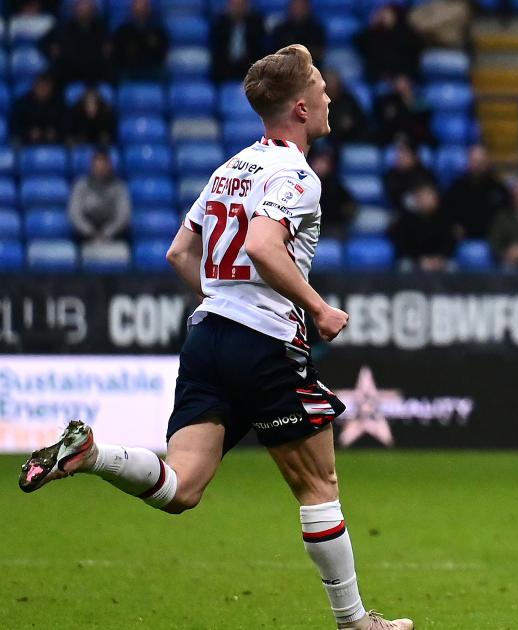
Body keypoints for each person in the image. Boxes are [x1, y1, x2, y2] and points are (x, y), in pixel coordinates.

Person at [18, 45, 412, 630]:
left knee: (181, 488)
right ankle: (356, 623)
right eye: (322, 89)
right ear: (301, 109)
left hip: (207, 339)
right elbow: (260, 245)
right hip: (264, 346)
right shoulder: (298, 176)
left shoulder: (230, 168)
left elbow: (180, 252)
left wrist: (222, 302)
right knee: (318, 484)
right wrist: (318, 308)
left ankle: (92, 453)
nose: (330, 98)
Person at [443, 145, 510, 240]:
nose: (477, 165)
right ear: (468, 163)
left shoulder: (499, 189)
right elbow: (447, 214)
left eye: (481, 162)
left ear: (488, 163)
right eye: (474, 161)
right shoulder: (456, 188)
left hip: (491, 238)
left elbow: (504, 217)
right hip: (462, 239)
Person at [39, 0, 110, 84]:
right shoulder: (63, 28)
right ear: (74, 10)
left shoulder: (101, 28)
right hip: (69, 74)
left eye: (86, 8)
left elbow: (107, 50)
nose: (83, 11)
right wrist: (51, 50)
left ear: (93, 10)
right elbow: (44, 43)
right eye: (80, 8)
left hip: (96, 75)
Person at [390, 181, 456, 272]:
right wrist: (419, 259)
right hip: (415, 259)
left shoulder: (444, 217)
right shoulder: (406, 218)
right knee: (405, 265)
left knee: (452, 266)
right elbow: (402, 244)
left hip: (438, 259)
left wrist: (439, 258)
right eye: (424, 196)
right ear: (418, 200)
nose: (428, 200)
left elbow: (450, 241)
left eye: (431, 196)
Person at [68, 151, 130, 244]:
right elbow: (74, 213)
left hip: (113, 235)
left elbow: (123, 215)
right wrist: (90, 232)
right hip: (84, 235)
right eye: (97, 166)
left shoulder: (119, 187)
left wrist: (107, 233)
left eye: (103, 166)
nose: (100, 169)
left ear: (109, 166)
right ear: (92, 167)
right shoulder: (81, 185)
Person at [353, 5, 421, 83]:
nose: (383, 17)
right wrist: (372, 26)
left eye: (387, 14)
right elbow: (358, 42)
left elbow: (410, 52)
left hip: (404, 75)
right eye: (382, 14)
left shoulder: (406, 35)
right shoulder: (372, 35)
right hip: (378, 76)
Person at [210, 0, 267, 83]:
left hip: (250, 68)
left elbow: (259, 50)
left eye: (241, 5)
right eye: (234, 6)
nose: (237, 9)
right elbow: (217, 52)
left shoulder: (256, 23)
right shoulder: (220, 24)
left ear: (247, 7)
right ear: (228, 7)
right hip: (225, 70)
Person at [111, 0, 168, 80]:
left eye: (144, 7)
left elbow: (163, 52)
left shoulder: (158, 30)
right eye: (138, 7)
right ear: (132, 9)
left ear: (149, 9)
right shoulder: (123, 30)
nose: (141, 10)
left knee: (163, 75)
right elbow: (117, 53)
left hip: (152, 69)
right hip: (129, 70)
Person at [310, 149, 357, 239]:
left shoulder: (335, 185)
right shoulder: (304, 183)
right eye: (318, 162)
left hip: (330, 226)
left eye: (324, 163)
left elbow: (350, 206)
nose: (320, 166)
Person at [373, 75, 432, 147]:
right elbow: (387, 121)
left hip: (415, 136)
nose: (400, 84)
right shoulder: (389, 101)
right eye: (398, 81)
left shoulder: (419, 99)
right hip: (393, 136)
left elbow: (423, 120)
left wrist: (410, 102)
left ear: (410, 83)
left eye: (403, 81)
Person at [9, 73, 66, 145]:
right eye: (40, 86)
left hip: (55, 145)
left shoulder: (59, 104)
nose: (43, 89)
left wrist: (56, 133)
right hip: (27, 144)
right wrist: (28, 134)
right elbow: (14, 127)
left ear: (51, 87)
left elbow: (66, 126)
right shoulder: (22, 104)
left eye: (46, 86)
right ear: (34, 86)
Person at [270, 0, 326, 65]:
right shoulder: (281, 29)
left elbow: (320, 52)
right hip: (285, 68)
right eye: (295, 7)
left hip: (311, 67)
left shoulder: (316, 29)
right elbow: (275, 53)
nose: (298, 10)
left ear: (308, 8)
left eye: (301, 7)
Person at [324, 70, 373, 144]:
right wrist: (339, 126)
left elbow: (362, 120)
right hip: (330, 143)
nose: (333, 87)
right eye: (330, 84)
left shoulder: (348, 99)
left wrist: (352, 123)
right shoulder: (320, 103)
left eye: (336, 84)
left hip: (354, 141)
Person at [384, 141, 436, 208]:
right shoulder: (391, 175)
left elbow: (433, 194)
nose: (400, 157)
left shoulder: (425, 173)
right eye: (399, 154)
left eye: (405, 154)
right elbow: (395, 198)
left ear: (414, 156)